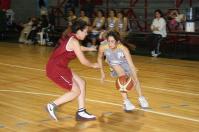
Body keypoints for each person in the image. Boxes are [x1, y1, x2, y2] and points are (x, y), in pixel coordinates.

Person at [46, 19, 100, 121]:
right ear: (78, 31)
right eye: (85, 31)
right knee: (76, 91)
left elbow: (78, 48)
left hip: (60, 66)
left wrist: (89, 49)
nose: (86, 33)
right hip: (56, 69)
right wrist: (93, 65)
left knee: (81, 83)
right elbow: (83, 61)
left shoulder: (71, 37)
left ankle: (81, 112)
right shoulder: (74, 41)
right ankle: (52, 105)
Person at [97, 31, 149, 111]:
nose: (110, 43)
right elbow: (99, 58)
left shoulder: (123, 49)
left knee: (135, 79)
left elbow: (131, 65)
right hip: (114, 64)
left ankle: (141, 97)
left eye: (112, 41)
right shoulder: (103, 47)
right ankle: (126, 101)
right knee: (122, 77)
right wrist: (102, 73)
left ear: (117, 42)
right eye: (108, 41)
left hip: (125, 63)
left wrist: (134, 75)